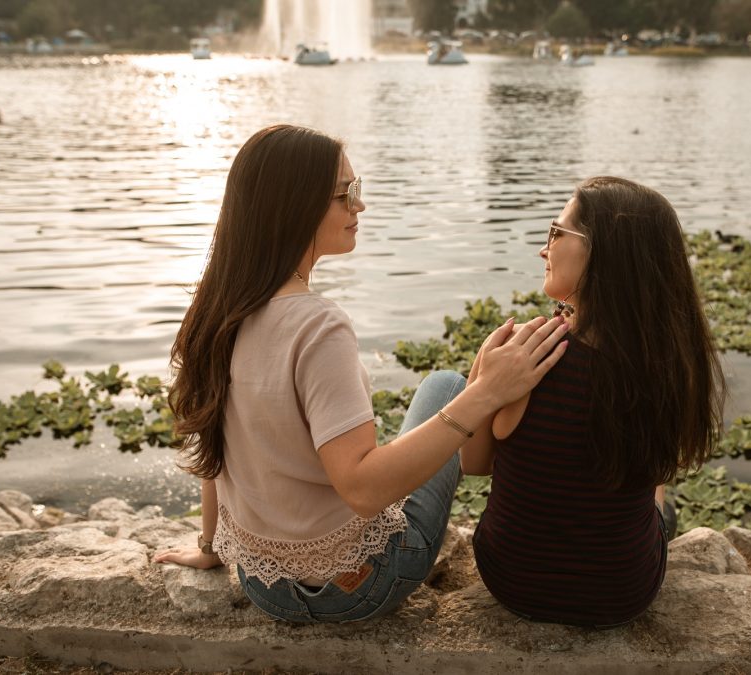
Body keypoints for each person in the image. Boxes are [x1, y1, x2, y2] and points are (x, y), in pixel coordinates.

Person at [153, 124, 569, 622]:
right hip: (358, 585)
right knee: (448, 385)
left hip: (264, 583)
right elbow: (364, 490)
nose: (360, 206)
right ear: (295, 206)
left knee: (423, 404)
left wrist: (212, 545)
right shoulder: (317, 325)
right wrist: (487, 392)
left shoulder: (218, 309)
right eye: (346, 194)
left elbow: (214, 443)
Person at [460, 176, 726, 627]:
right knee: (659, 501)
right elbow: (659, 469)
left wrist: (482, 369)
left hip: (512, 581)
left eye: (555, 232)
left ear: (599, 251)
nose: (544, 249)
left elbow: (474, 462)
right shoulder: (670, 364)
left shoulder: (525, 354)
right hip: (622, 595)